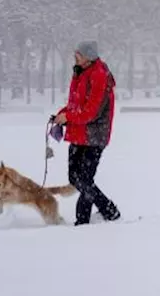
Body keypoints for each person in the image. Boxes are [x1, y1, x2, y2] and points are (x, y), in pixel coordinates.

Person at [53, 41, 121, 226]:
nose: (75, 57)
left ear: (89, 57)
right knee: (76, 178)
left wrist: (68, 117)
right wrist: (62, 113)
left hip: (94, 135)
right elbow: (77, 104)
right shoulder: (81, 72)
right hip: (80, 132)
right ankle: (106, 211)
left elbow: (92, 111)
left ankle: (88, 219)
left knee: (84, 180)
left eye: (79, 55)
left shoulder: (99, 75)